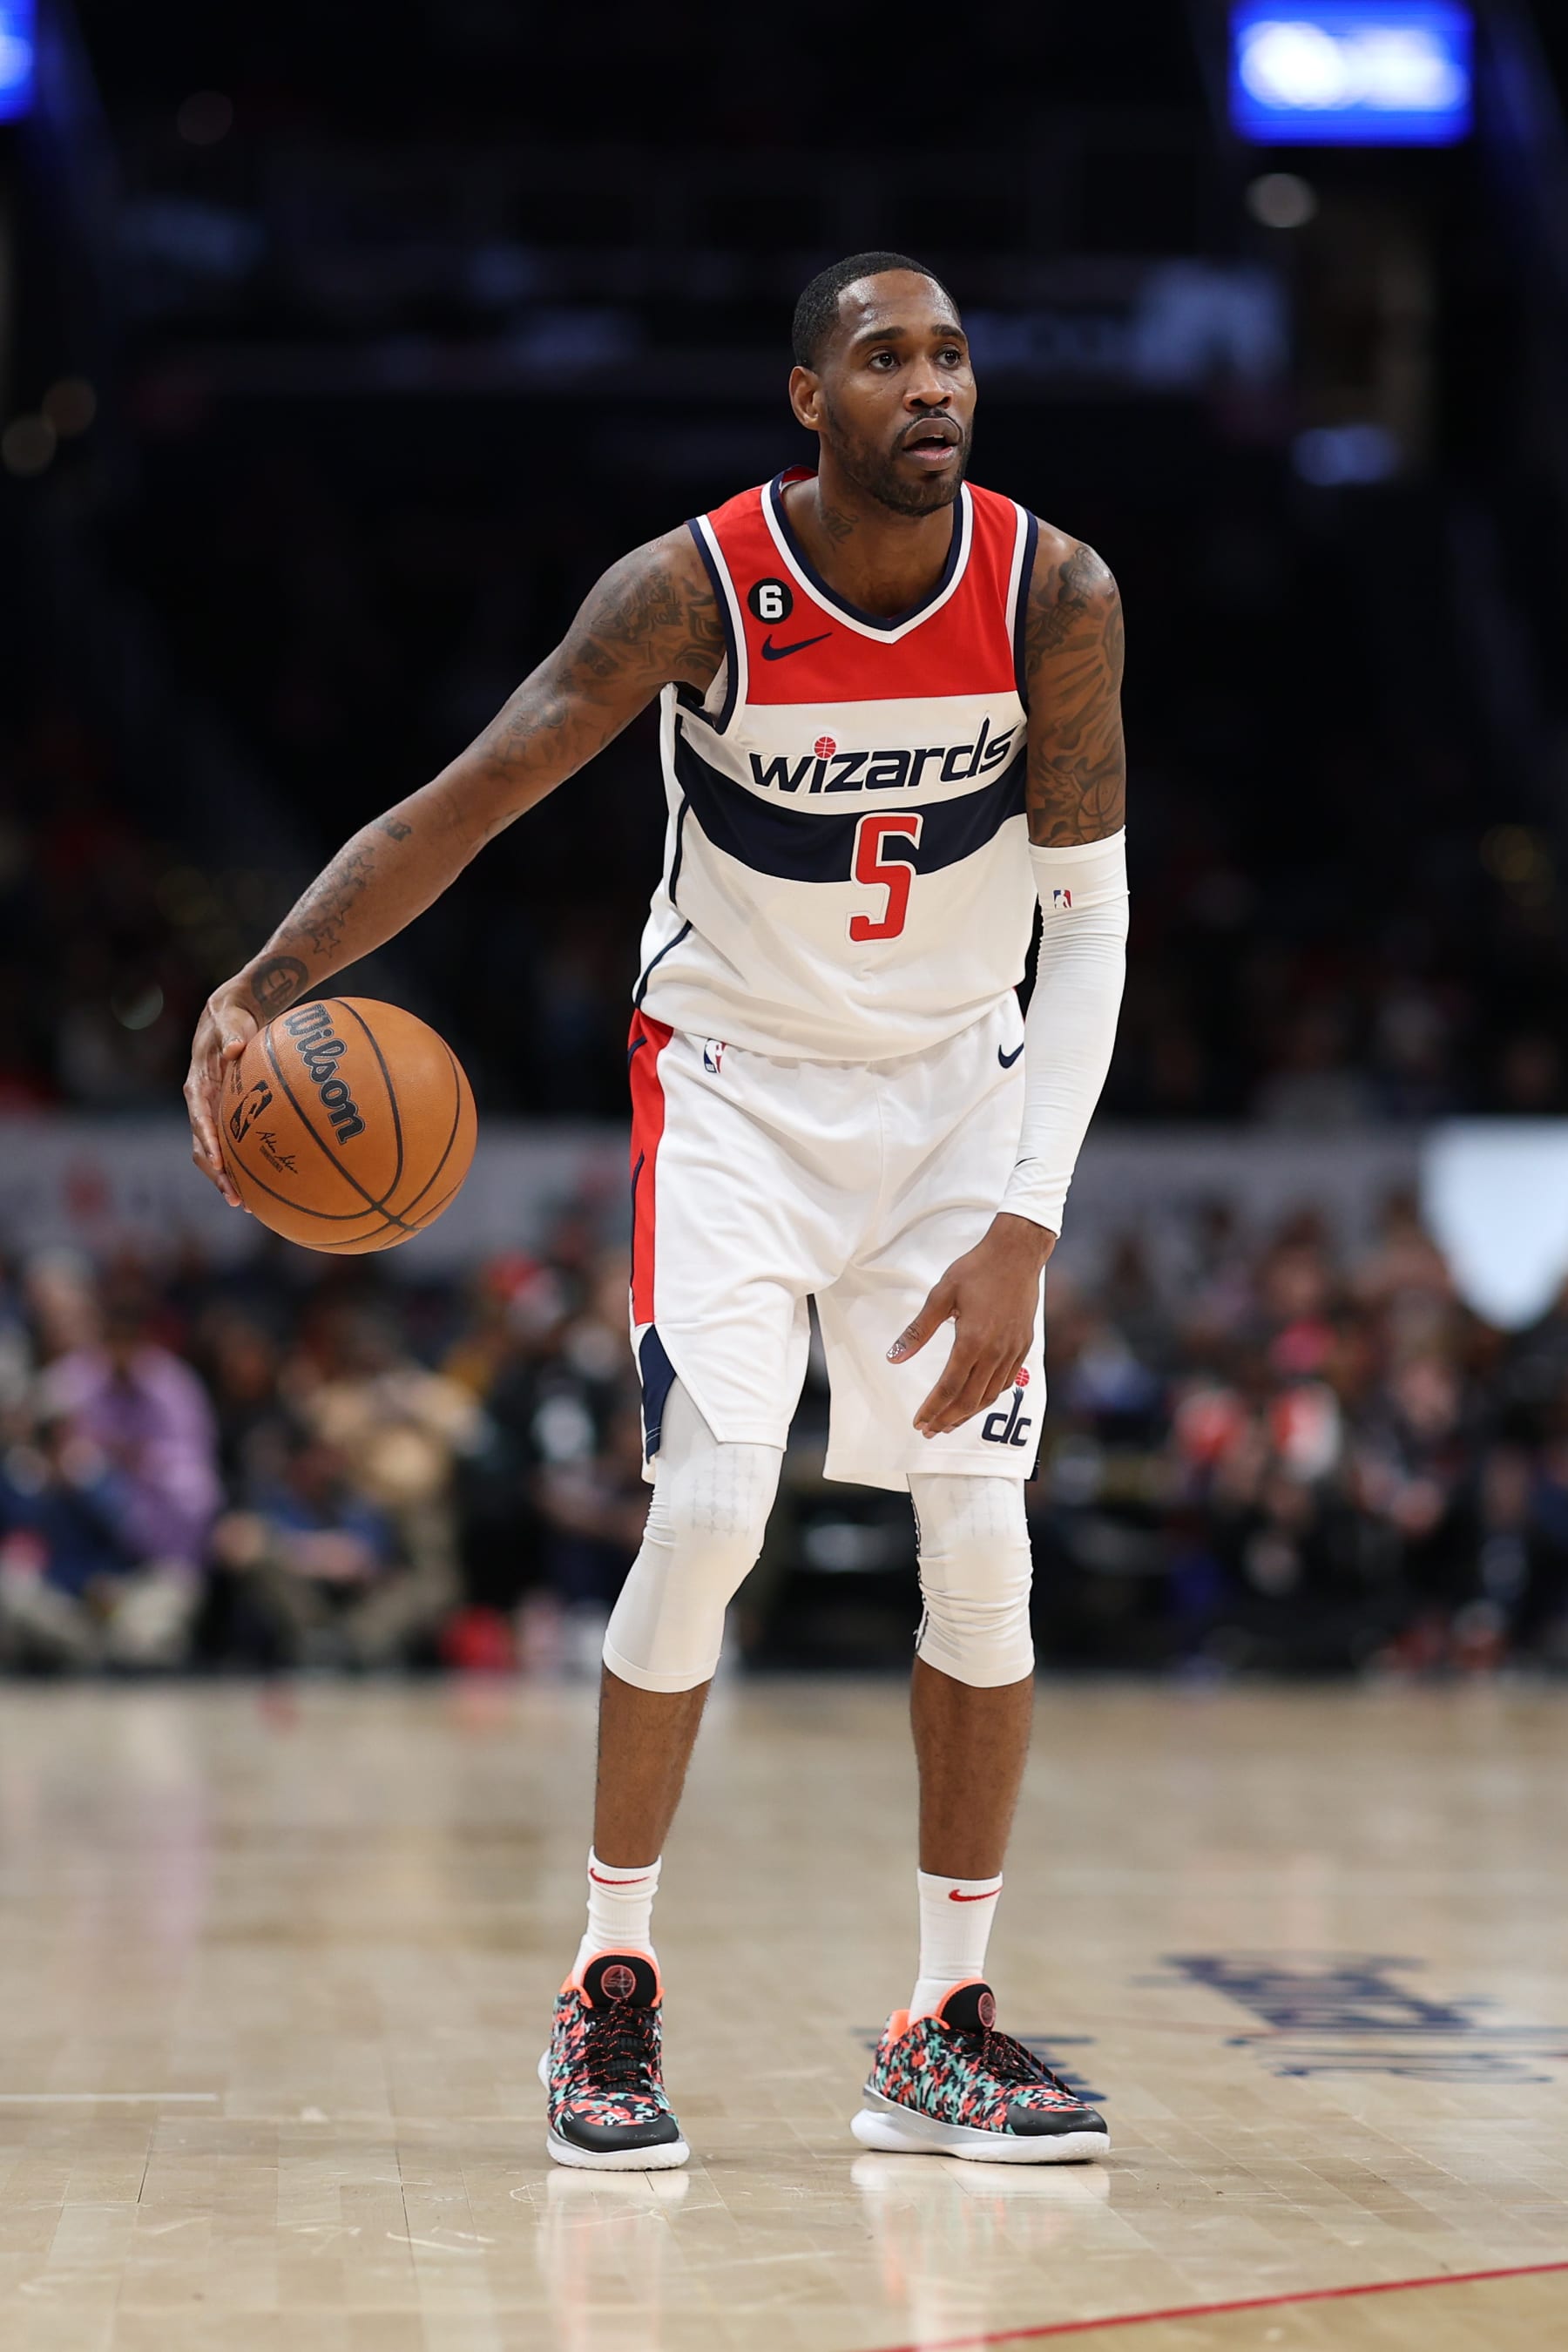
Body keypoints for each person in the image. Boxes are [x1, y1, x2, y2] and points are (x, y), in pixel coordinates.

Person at [185, 253, 1128, 2171]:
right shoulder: (688, 591)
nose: (931, 386)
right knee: (707, 1510)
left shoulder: (1056, 592)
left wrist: (1029, 1214)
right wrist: (270, 979)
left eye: (951, 356)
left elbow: (1092, 913)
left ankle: (941, 2027)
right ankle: (607, 1990)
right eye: (885, 359)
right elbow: (471, 800)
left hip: (957, 1102)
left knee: (983, 1540)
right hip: (732, 1092)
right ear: (809, 398)